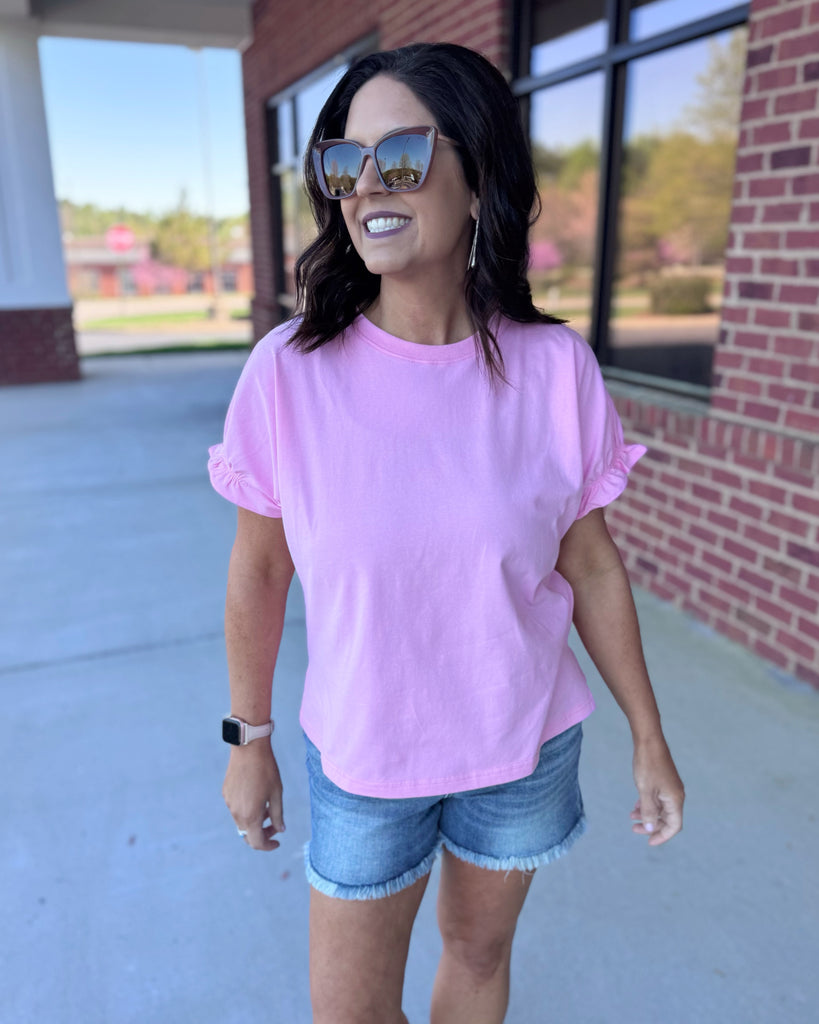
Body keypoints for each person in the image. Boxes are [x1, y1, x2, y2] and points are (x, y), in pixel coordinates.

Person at [208, 42, 684, 1024]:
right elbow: (259, 571)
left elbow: (590, 565)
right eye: (345, 163)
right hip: (364, 760)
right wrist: (247, 740)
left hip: (523, 748)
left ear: (478, 180)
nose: (365, 186)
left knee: (476, 954)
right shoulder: (289, 374)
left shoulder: (553, 368)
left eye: (402, 157)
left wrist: (649, 734)